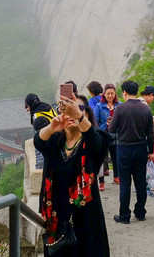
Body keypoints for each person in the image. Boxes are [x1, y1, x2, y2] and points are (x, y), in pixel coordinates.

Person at [34, 93, 110, 257]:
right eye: (67, 109)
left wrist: (79, 117)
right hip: (57, 219)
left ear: (87, 115)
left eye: (80, 108)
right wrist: (52, 127)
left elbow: (97, 144)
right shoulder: (55, 142)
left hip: (85, 219)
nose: (73, 113)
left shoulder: (94, 141)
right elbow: (38, 141)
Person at [109, 80, 154, 224]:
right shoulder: (146, 109)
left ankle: (124, 215)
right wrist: (151, 150)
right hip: (141, 148)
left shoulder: (120, 109)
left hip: (124, 149)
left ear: (124, 92)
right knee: (140, 182)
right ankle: (140, 212)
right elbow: (150, 134)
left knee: (125, 183)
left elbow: (111, 130)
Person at [96, 84, 120, 189]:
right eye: (108, 93)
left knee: (116, 157)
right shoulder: (99, 106)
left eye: (112, 93)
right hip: (103, 135)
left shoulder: (120, 105)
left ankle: (116, 176)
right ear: (104, 94)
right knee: (102, 158)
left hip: (116, 136)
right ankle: (101, 181)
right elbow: (95, 122)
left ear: (115, 94)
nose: (110, 95)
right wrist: (105, 124)